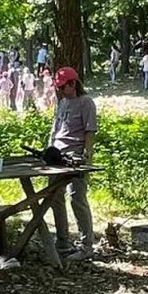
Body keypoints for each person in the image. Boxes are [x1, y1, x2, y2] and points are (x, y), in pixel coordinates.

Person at [49, 66, 97, 260]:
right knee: (54, 197)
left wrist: (87, 155)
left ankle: (86, 245)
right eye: (59, 87)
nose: (61, 90)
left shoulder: (86, 103)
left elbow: (90, 131)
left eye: (63, 87)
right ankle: (62, 241)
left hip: (75, 155)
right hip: (56, 155)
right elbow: (56, 127)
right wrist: (49, 148)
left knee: (77, 199)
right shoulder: (62, 103)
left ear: (73, 84)